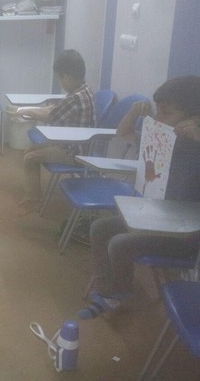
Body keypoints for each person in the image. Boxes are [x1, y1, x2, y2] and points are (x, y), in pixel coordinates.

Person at [79, 75, 200, 319]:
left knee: (119, 243)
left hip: (185, 235)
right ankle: (106, 287)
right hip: (158, 217)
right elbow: (123, 133)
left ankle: (117, 294)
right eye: (157, 111)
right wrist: (134, 112)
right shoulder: (164, 138)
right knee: (100, 227)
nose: (157, 119)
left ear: (193, 117)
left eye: (166, 113)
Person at [10, 49, 95, 214]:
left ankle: (33, 200)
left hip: (75, 151)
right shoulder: (84, 90)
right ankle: (34, 194)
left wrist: (26, 111)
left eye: (59, 78)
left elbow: (50, 116)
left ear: (66, 77)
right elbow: (55, 109)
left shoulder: (75, 98)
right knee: (31, 150)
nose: (59, 82)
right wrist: (32, 110)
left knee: (30, 158)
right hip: (71, 142)